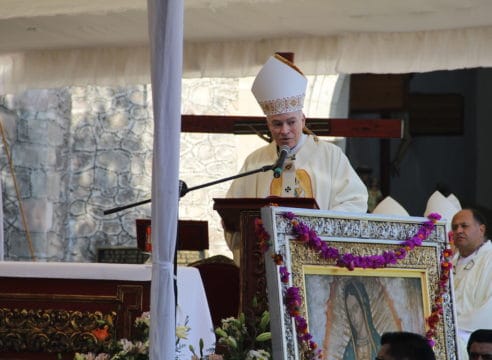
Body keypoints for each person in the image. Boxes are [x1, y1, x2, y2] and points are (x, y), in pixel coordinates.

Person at [225, 54, 368, 261]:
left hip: (315, 260)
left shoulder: (330, 156)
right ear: (268, 125)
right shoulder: (255, 161)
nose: (285, 130)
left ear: (302, 120)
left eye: (291, 122)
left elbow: (354, 203)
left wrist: (316, 229)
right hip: (267, 262)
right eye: (277, 124)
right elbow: (232, 215)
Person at [451, 208, 492, 360]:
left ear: (481, 229)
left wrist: (453, 327)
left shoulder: (489, 258)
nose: (458, 230)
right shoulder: (451, 261)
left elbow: (489, 308)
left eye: (464, 226)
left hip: (473, 336)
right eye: (455, 227)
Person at [342, 279, 381, 360]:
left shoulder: (380, 345)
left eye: (355, 309)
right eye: (349, 313)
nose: (352, 317)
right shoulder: (349, 352)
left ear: (364, 307)